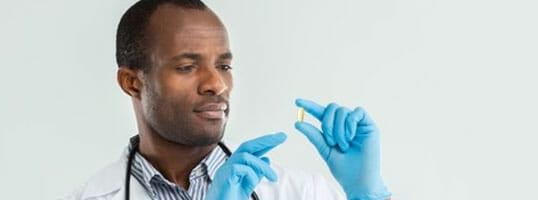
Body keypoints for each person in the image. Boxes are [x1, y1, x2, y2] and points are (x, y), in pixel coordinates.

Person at [63, 0, 392, 199]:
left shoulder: (299, 193)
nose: (216, 83)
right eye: (187, 66)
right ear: (132, 83)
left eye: (224, 65)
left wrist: (367, 195)